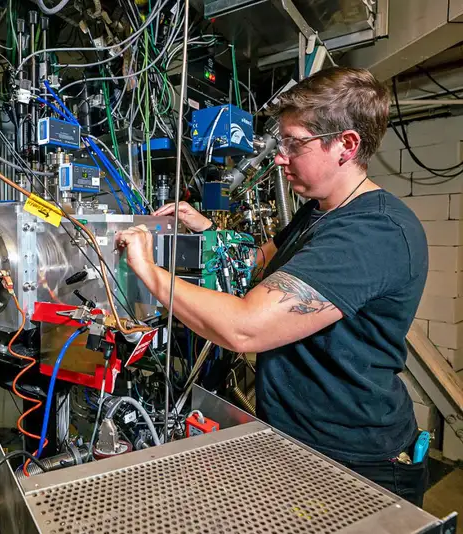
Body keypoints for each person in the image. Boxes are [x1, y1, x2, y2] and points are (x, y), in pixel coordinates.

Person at [116, 67, 430, 506]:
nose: (280, 157)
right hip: (299, 441)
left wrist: (148, 271)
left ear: (346, 144)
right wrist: (206, 230)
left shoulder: (373, 231)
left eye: (294, 144)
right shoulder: (318, 211)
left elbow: (246, 327)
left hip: (356, 462)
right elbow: (257, 264)